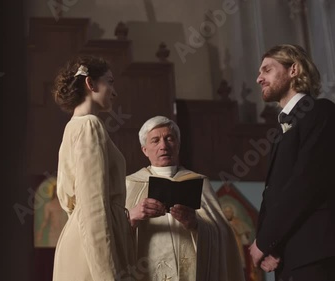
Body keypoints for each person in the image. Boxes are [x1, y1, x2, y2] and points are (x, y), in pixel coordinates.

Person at [250, 44, 335, 281]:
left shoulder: (320, 112)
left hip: (315, 255)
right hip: (288, 257)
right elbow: (275, 194)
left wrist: (265, 240)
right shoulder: (281, 128)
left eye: (267, 70)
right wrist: (271, 246)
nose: (259, 79)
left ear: (293, 70)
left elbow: (305, 183)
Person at [125, 116, 245, 281]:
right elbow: (109, 234)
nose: (163, 146)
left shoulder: (199, 183)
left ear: (178, 145)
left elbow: (223, 234)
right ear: (144, 149)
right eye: (155, 140)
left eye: (169, 139)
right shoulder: (129, 185)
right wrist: (132, 215)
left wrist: (196, 224)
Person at [51, 55, 135, 281]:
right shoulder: (89, 125)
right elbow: (93, 205)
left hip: (81, 239)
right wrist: (107, 275)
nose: (114, 92)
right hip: (94, 251)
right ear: (90, 83)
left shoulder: (72, 127)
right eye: (110, 81)